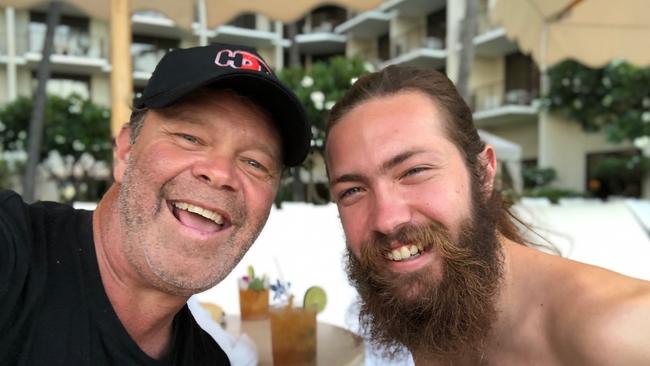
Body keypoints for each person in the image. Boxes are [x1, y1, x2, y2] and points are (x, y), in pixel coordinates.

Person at [0, 43, 310, 365]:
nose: (220, 174)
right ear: (125, 151)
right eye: (190, 137)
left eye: (254, 163)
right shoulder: (13, 253)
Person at [324, 65, 650, 365]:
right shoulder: (435, 312)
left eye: (414, 171)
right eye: (352, 191)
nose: (386, 219)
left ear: (483, 173)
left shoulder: (619, 330)